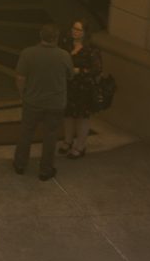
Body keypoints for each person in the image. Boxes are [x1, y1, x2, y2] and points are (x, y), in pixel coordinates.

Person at [14, 22, 72, 180]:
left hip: (32, 101)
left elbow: (20, 77)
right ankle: (45, 170)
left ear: (40, 36)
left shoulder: (28, 53)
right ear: (56, 38)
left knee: (26, 132)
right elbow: (69, 75)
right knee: (50, 135)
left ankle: (20, 164)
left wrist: (23, 94)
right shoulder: (64, 55)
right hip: (55, 103)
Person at [63, 17, 103, 158]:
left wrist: (79, 71)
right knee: (67, 115)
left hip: (83, 88)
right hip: (68, 86)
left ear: (85, 32)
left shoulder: (91, 50)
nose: (75, 32)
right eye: (74, 28)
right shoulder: (67, 45)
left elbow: (97, 69)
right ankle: (67, 141)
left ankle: (80, 146)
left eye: (79, 29)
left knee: (82, 117)